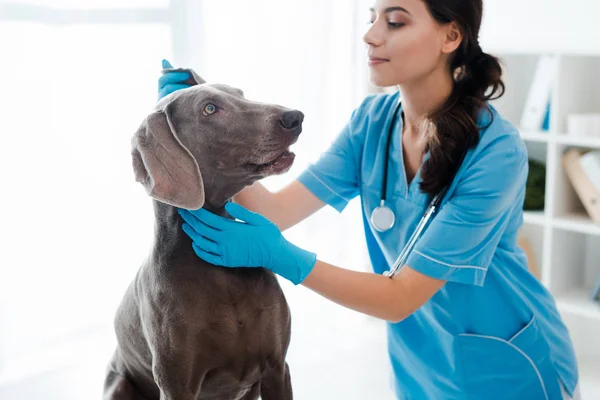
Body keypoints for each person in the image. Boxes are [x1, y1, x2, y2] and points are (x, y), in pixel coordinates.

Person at [159, 1, 580, 398]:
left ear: (451, 36)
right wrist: (199, 134)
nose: (371, 36)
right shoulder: (372, 123)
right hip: (423, 366)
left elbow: (400, 297)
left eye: (394, 22)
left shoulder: (495, 150)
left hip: (510, 365)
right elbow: (276, 210)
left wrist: (281, 257)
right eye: (372, 18)